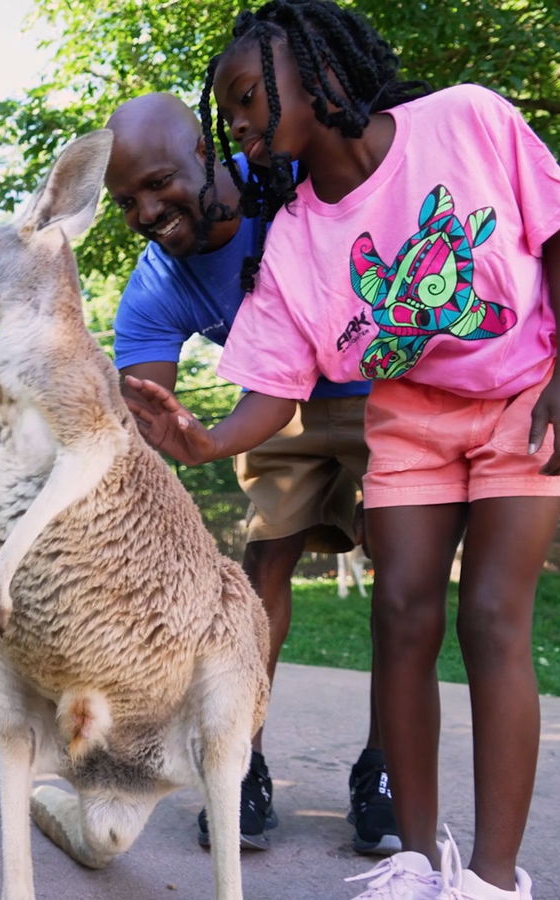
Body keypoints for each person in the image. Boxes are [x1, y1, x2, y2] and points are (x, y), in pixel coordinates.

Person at [125, 2, 560, 897]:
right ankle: (421, 862)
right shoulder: (298, 235)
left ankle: (495, 879)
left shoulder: (466, 119)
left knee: (493, 617)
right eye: (225, 111)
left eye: (243, 101)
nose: (234, 128)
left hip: (525, 399)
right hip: (412, 416)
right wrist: (207, 441)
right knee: (401, 615)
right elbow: (275, 384)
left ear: (319, 79)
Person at [104, 90, 398, 857]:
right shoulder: (155, 287)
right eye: (125, 201)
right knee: (263, 565)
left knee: (405, 577)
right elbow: (150, 418)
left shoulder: (292, 174)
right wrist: (166, 430)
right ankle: (245, 765)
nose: (144, 210)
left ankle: (386, 767)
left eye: (158, 181)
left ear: (206, 151)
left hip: (392, 391)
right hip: (281, 406)